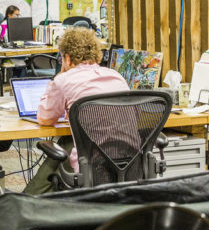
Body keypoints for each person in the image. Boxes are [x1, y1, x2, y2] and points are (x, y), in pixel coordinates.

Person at [23, 27, 131, 195]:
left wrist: (58, 78)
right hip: (128, 159)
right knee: (68, 144)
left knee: (64, 148)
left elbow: (45, 118)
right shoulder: (116, 76)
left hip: (91, 163)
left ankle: (27, 202)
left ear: (66, 57)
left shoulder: (64, 80)